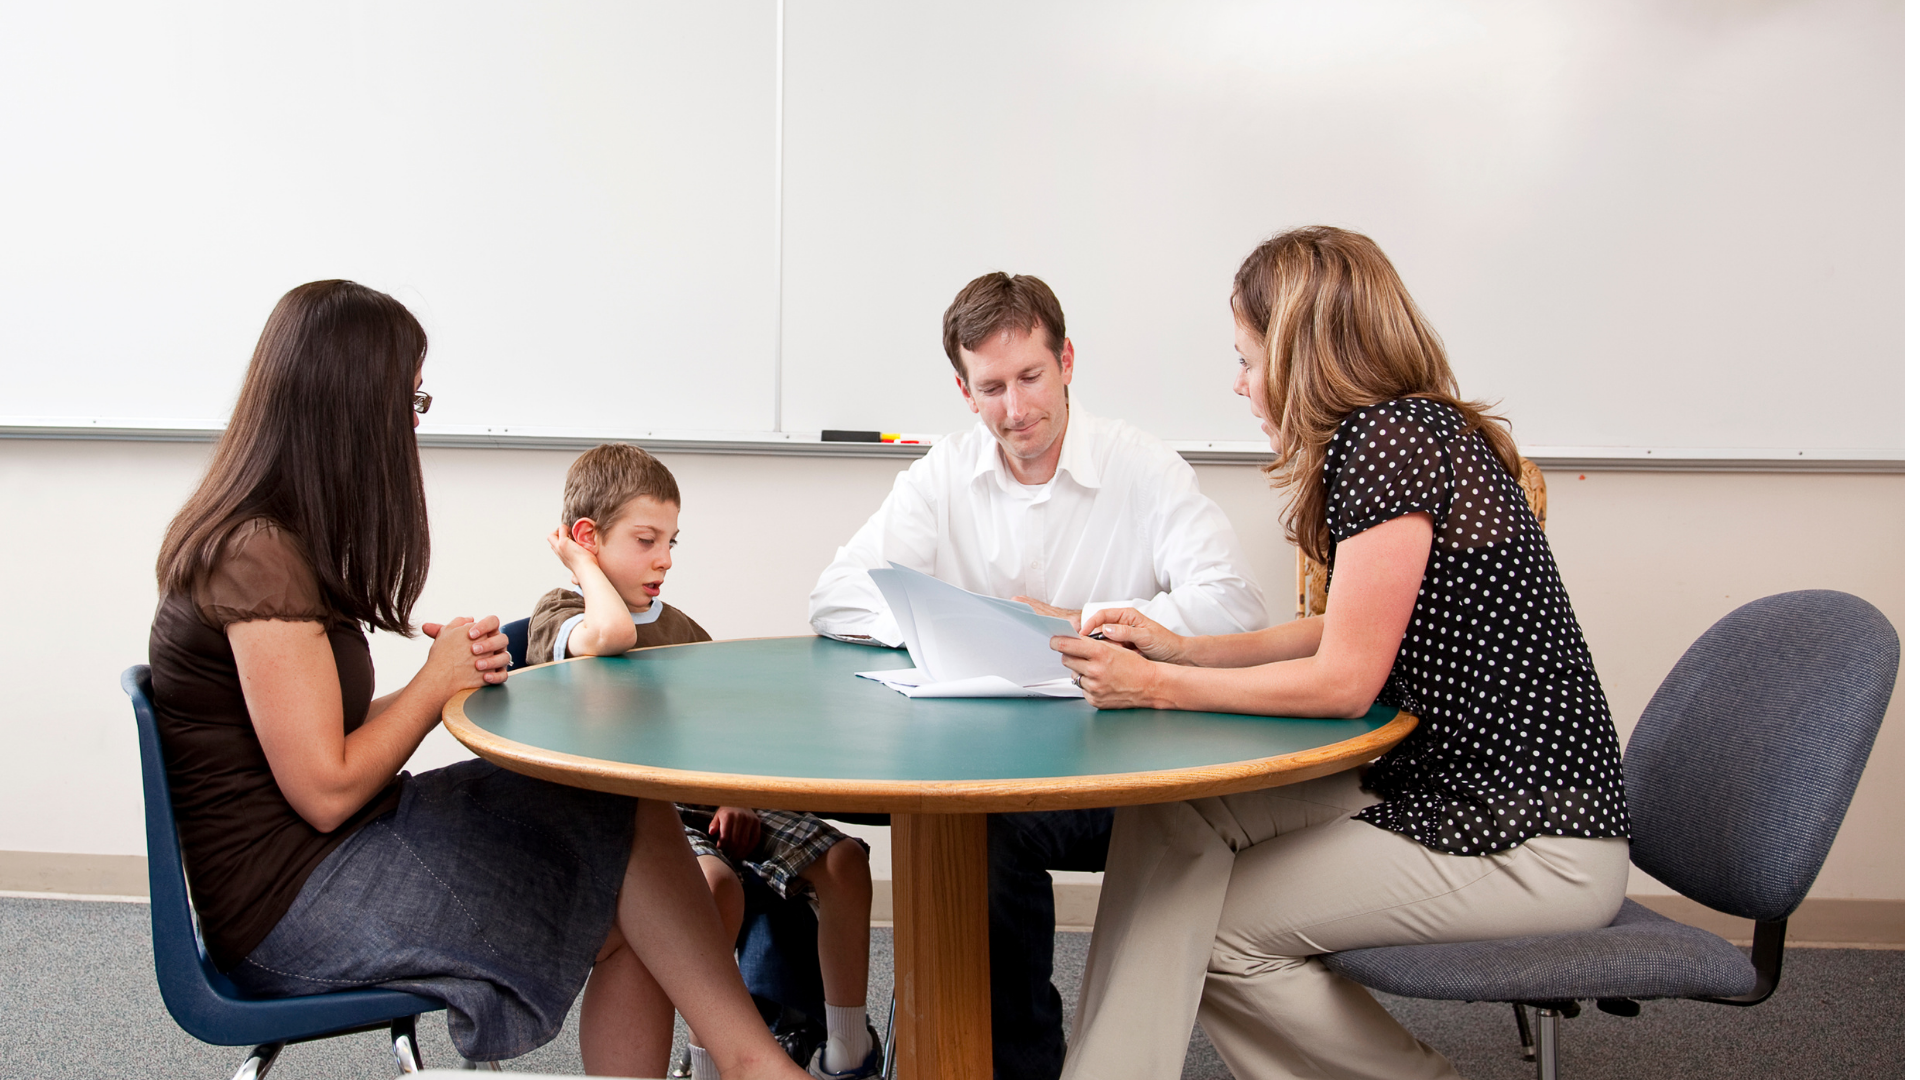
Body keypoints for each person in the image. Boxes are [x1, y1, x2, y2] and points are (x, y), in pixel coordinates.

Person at [147, 280, 809, 1080]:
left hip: (327, 859)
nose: (413, 421)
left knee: (623, 824)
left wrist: (450, 679)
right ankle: (757, 1062)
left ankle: (753, 1060)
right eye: (410, 398)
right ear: (349, 402)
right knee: (625, 868)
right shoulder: (257, 553)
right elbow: (323, 786)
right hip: (293, 910)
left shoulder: (273, 538)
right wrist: (433, 686)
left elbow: (317, 738)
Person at [1048, 227, 1632, 1080]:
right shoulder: (1411, 432)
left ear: (1300, 352)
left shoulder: (1390, 443)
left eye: (1248, 358)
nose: (1240, 383)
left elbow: (1345, 677)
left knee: (1216, 932)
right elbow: (1346, 625)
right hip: (1451, 791)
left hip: (1531, 838)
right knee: (1174, 813)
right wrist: (1190, 650)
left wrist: (1157, 684)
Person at [808, 272, 1268, 1080]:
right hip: (986, 764)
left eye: (1030, 379)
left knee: (989, 827)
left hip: (1126, 768)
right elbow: (837, 595)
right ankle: (986, 1057)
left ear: (1067, 363)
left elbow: (1233, 607)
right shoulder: (944, 474)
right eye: (991, 388)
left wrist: (1075, 623)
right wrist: (944, 624)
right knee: (972, 823)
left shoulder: (1141, 467)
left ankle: (1030, 1060)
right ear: (963, 388)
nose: (1015, 410)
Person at [529, 442, 882, 1080]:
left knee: (846, 863)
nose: (664, 559)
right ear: (586, 538)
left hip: (712, 794)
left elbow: (728, 729)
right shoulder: (564, 615)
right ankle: (711, 1062)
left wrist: (734, 795)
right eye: (645, 539)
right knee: (712, 889)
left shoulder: (684, 629)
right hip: (647, 819)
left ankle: (846, 1050)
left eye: (672, 541)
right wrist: (580, 567)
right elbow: (610, 637)